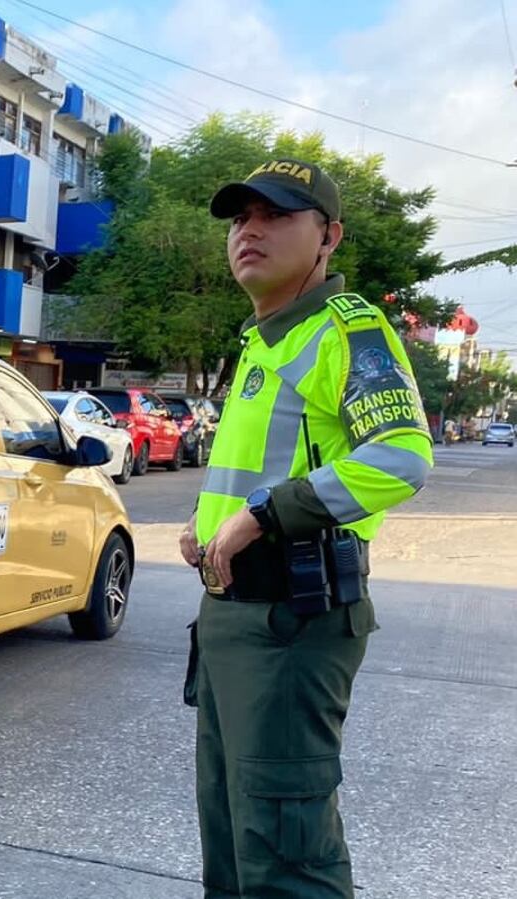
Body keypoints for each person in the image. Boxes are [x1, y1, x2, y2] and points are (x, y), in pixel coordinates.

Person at [183, 159, 433, 897]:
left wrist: (263, 515)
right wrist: (209, 528)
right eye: (238, 218)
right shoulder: (261, 341)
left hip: (292, 624)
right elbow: (253, 472)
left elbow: (398, 458)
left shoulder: (344, 330)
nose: (248, 231)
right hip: (231, 617)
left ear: (327, 236)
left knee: (285, 852)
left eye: (274, 214)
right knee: (231, 840)